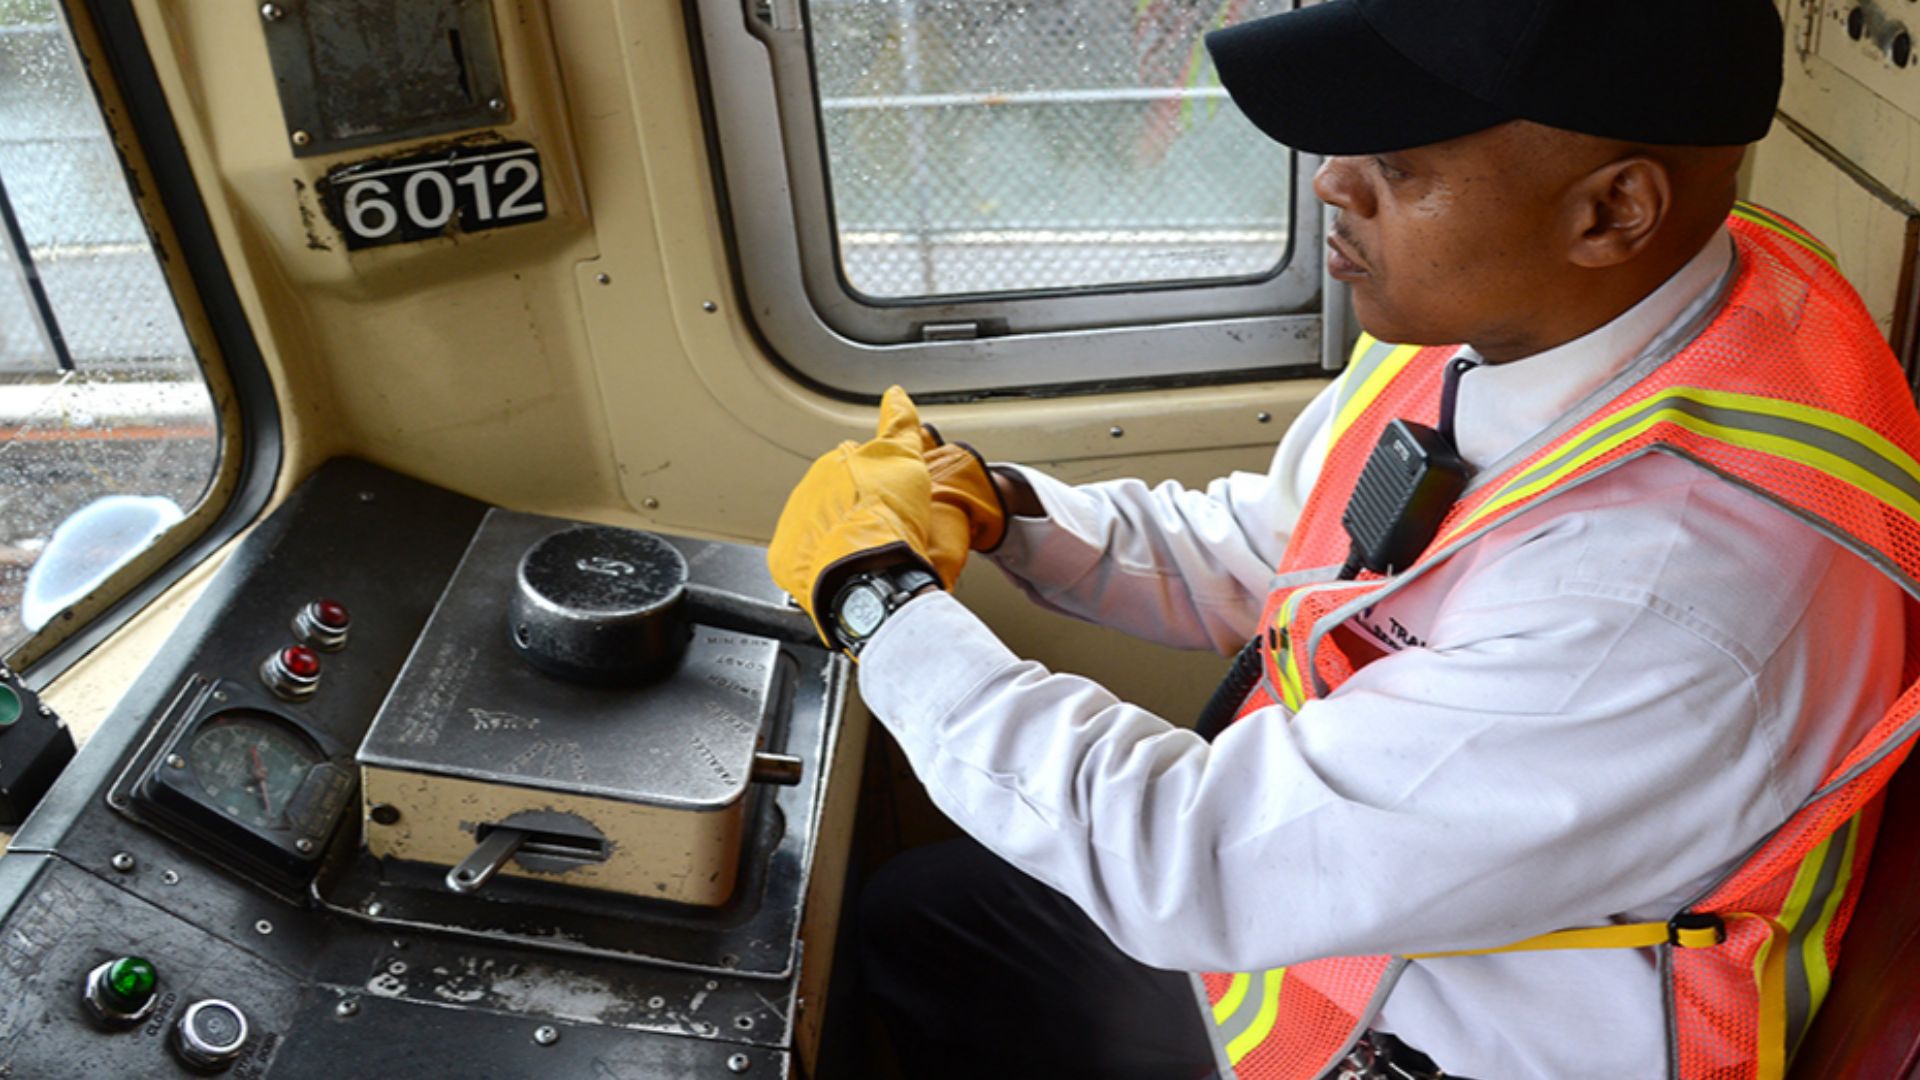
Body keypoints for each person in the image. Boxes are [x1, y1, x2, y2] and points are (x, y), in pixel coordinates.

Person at [767, 1, 1920, 1077]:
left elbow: (1192, 861)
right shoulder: (1534, 318)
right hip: (1334, 927)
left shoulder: (1664, 601)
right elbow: (1291, 553)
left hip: (1443, 1037)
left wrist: (879, 610)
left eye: (1398, 164)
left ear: (1611, 211)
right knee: (919, 917)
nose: (1331, 185)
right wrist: (1005, 512)